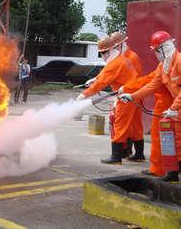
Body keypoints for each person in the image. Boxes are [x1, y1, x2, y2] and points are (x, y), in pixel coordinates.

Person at [119, 30, 181, 182]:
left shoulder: (179, 61)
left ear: (163, 48)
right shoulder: (163, 67)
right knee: (175, 141)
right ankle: (172, 173)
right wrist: (132, 96)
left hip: (177, 108)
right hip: (177, 109)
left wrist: (174, 108)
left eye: (156, 50)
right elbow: (151, 86)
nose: (156, 54)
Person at [77, 36, 138, 164]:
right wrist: (95, 78)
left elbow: (103, 82)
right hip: (131, 94)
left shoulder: (115, 63)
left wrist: (84, 95)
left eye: (101, 54)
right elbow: (105, 73)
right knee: (126, 125)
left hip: (126, 97)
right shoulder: (120, 58)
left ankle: (116, 157)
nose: (102, 57)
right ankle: (125, 152)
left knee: (119, 125)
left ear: (107, 52)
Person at [111, 32, 145, 161]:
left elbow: (133, 79)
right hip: (135, 94)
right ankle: (139, 154)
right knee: (136, 125)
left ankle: (117, 155)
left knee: (120, 123)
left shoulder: (130, 58)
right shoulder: (128, 56)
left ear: (120, 44)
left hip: (128, 95)